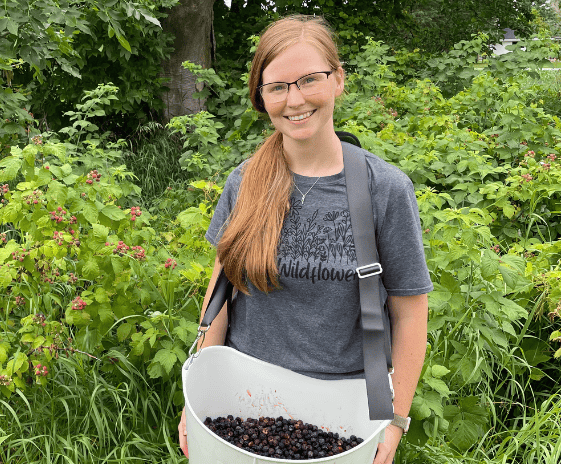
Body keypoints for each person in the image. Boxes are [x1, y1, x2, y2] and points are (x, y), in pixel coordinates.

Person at [178, 15, 432, 464]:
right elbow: (218, 294)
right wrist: (198, 397)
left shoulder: (384, 189)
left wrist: (394, 422)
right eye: (277, 86)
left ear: (338, 80)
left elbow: (410, 313)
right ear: (261, 97)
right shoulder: (244, 182)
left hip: (343, 416)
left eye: (309, 79)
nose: (294, 100)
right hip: (243, 404)